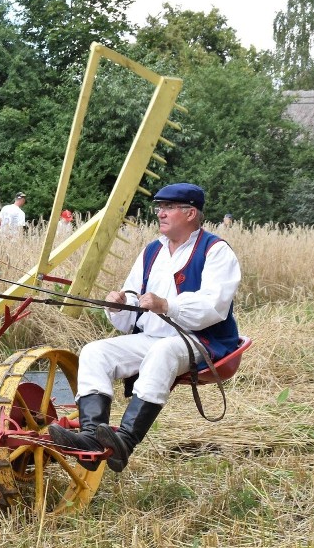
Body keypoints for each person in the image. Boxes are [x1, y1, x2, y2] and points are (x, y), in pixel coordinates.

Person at [48, 183, 241, 473]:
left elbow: (215, 306)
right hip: (152, 338)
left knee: (164, 350)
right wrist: (118, 304)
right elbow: (133, 307)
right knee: (95, 352)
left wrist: (168, 305)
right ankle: (91, 435)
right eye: (159, 208)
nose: (160, 213)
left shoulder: (216, 251)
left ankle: (125, 440)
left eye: (168, 208)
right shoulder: (152, 251)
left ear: (190, 213)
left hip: (200, 340)